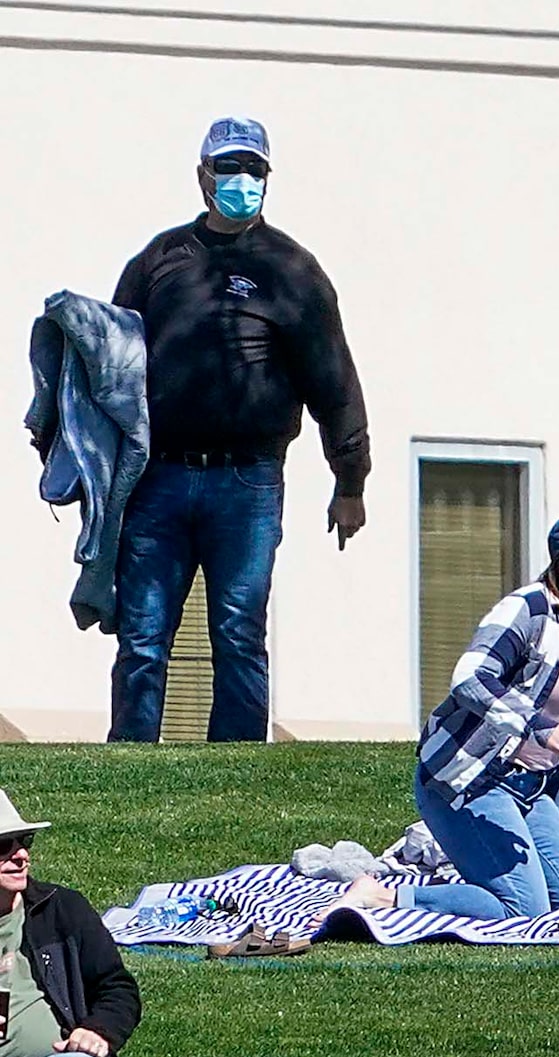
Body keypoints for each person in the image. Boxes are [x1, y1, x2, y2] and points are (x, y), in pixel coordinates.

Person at [108, 114, 369, 743]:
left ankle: (238, 764)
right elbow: (107, 359)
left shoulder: (292, 270)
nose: (242, 180)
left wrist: (350, 480)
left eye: (253, 169)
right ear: (203, 176)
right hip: (158, 477)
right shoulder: (159, 260)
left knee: (238, 631)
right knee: (142, 635)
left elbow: (333, 381)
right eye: (230, 167)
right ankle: (127, 761)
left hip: (248, 483)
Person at [347, 510, 559, 927]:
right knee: (523, 909)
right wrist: (542, 729)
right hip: (469, 780)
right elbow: (470, 678)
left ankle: (486, 877)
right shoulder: (527, 611)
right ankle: (384, 896)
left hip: (531, 790)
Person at [0, 793, 141, 1057]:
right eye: (4, 846)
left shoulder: (62, 909)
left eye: (25, 841)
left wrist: (99, 1031)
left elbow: (117, 988)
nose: (21, 855)